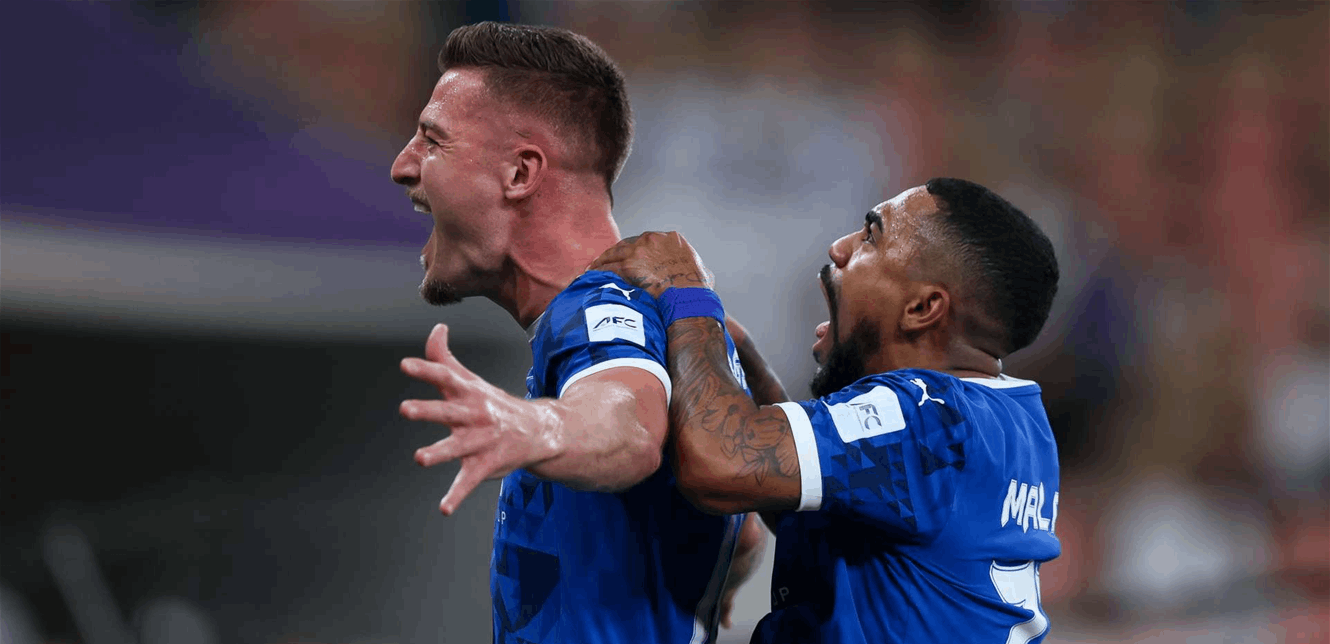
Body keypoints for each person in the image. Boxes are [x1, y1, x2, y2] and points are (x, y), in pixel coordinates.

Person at [388, 22, 779, 644]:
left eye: (432, 140)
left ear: (520, 173)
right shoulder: (669, 327)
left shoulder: (597, 307)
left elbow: (626, 425)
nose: (401, 166)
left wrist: (536, 427)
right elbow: (747, 532)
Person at [591, 178, 1063, 643]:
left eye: (871, 236)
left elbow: (721, 465)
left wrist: (684, 291)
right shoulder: (1015, 418)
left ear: (922, 307)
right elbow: (808, 499)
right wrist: (738, 352)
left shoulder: (926, 415)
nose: (839, 248)